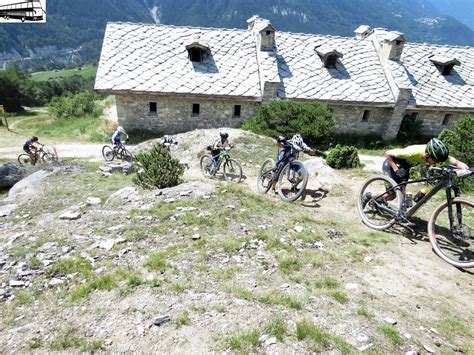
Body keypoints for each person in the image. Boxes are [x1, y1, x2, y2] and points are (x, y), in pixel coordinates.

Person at [362, 138, 469, 205]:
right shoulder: (412, 152)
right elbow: (387, 153)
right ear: (427, 155)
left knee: (396, 196)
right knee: (392, 194)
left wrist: (466, 170)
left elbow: (456, 162)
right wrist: (396, 169)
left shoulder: (435, 154)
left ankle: (379, 201)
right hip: (391, 165)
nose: (437, 163)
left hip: (404, 168)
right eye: (435, 160)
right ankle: (369, 196)